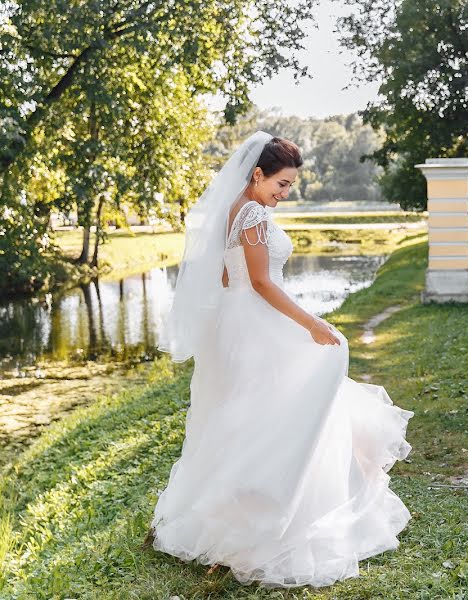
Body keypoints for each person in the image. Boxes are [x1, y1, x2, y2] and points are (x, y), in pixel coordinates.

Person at [151, 132, 413, 588]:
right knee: (291, 397)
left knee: (247, 416)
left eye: (290, 186)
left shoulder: (234, 210)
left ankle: (235, 512)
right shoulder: (251, 211)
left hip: (238, 322)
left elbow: (227, 275)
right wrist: (312, 323)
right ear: (257, 174)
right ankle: (275, 515)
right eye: (283, 184)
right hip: (256, 320)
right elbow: (260, 283)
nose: (285, 193)